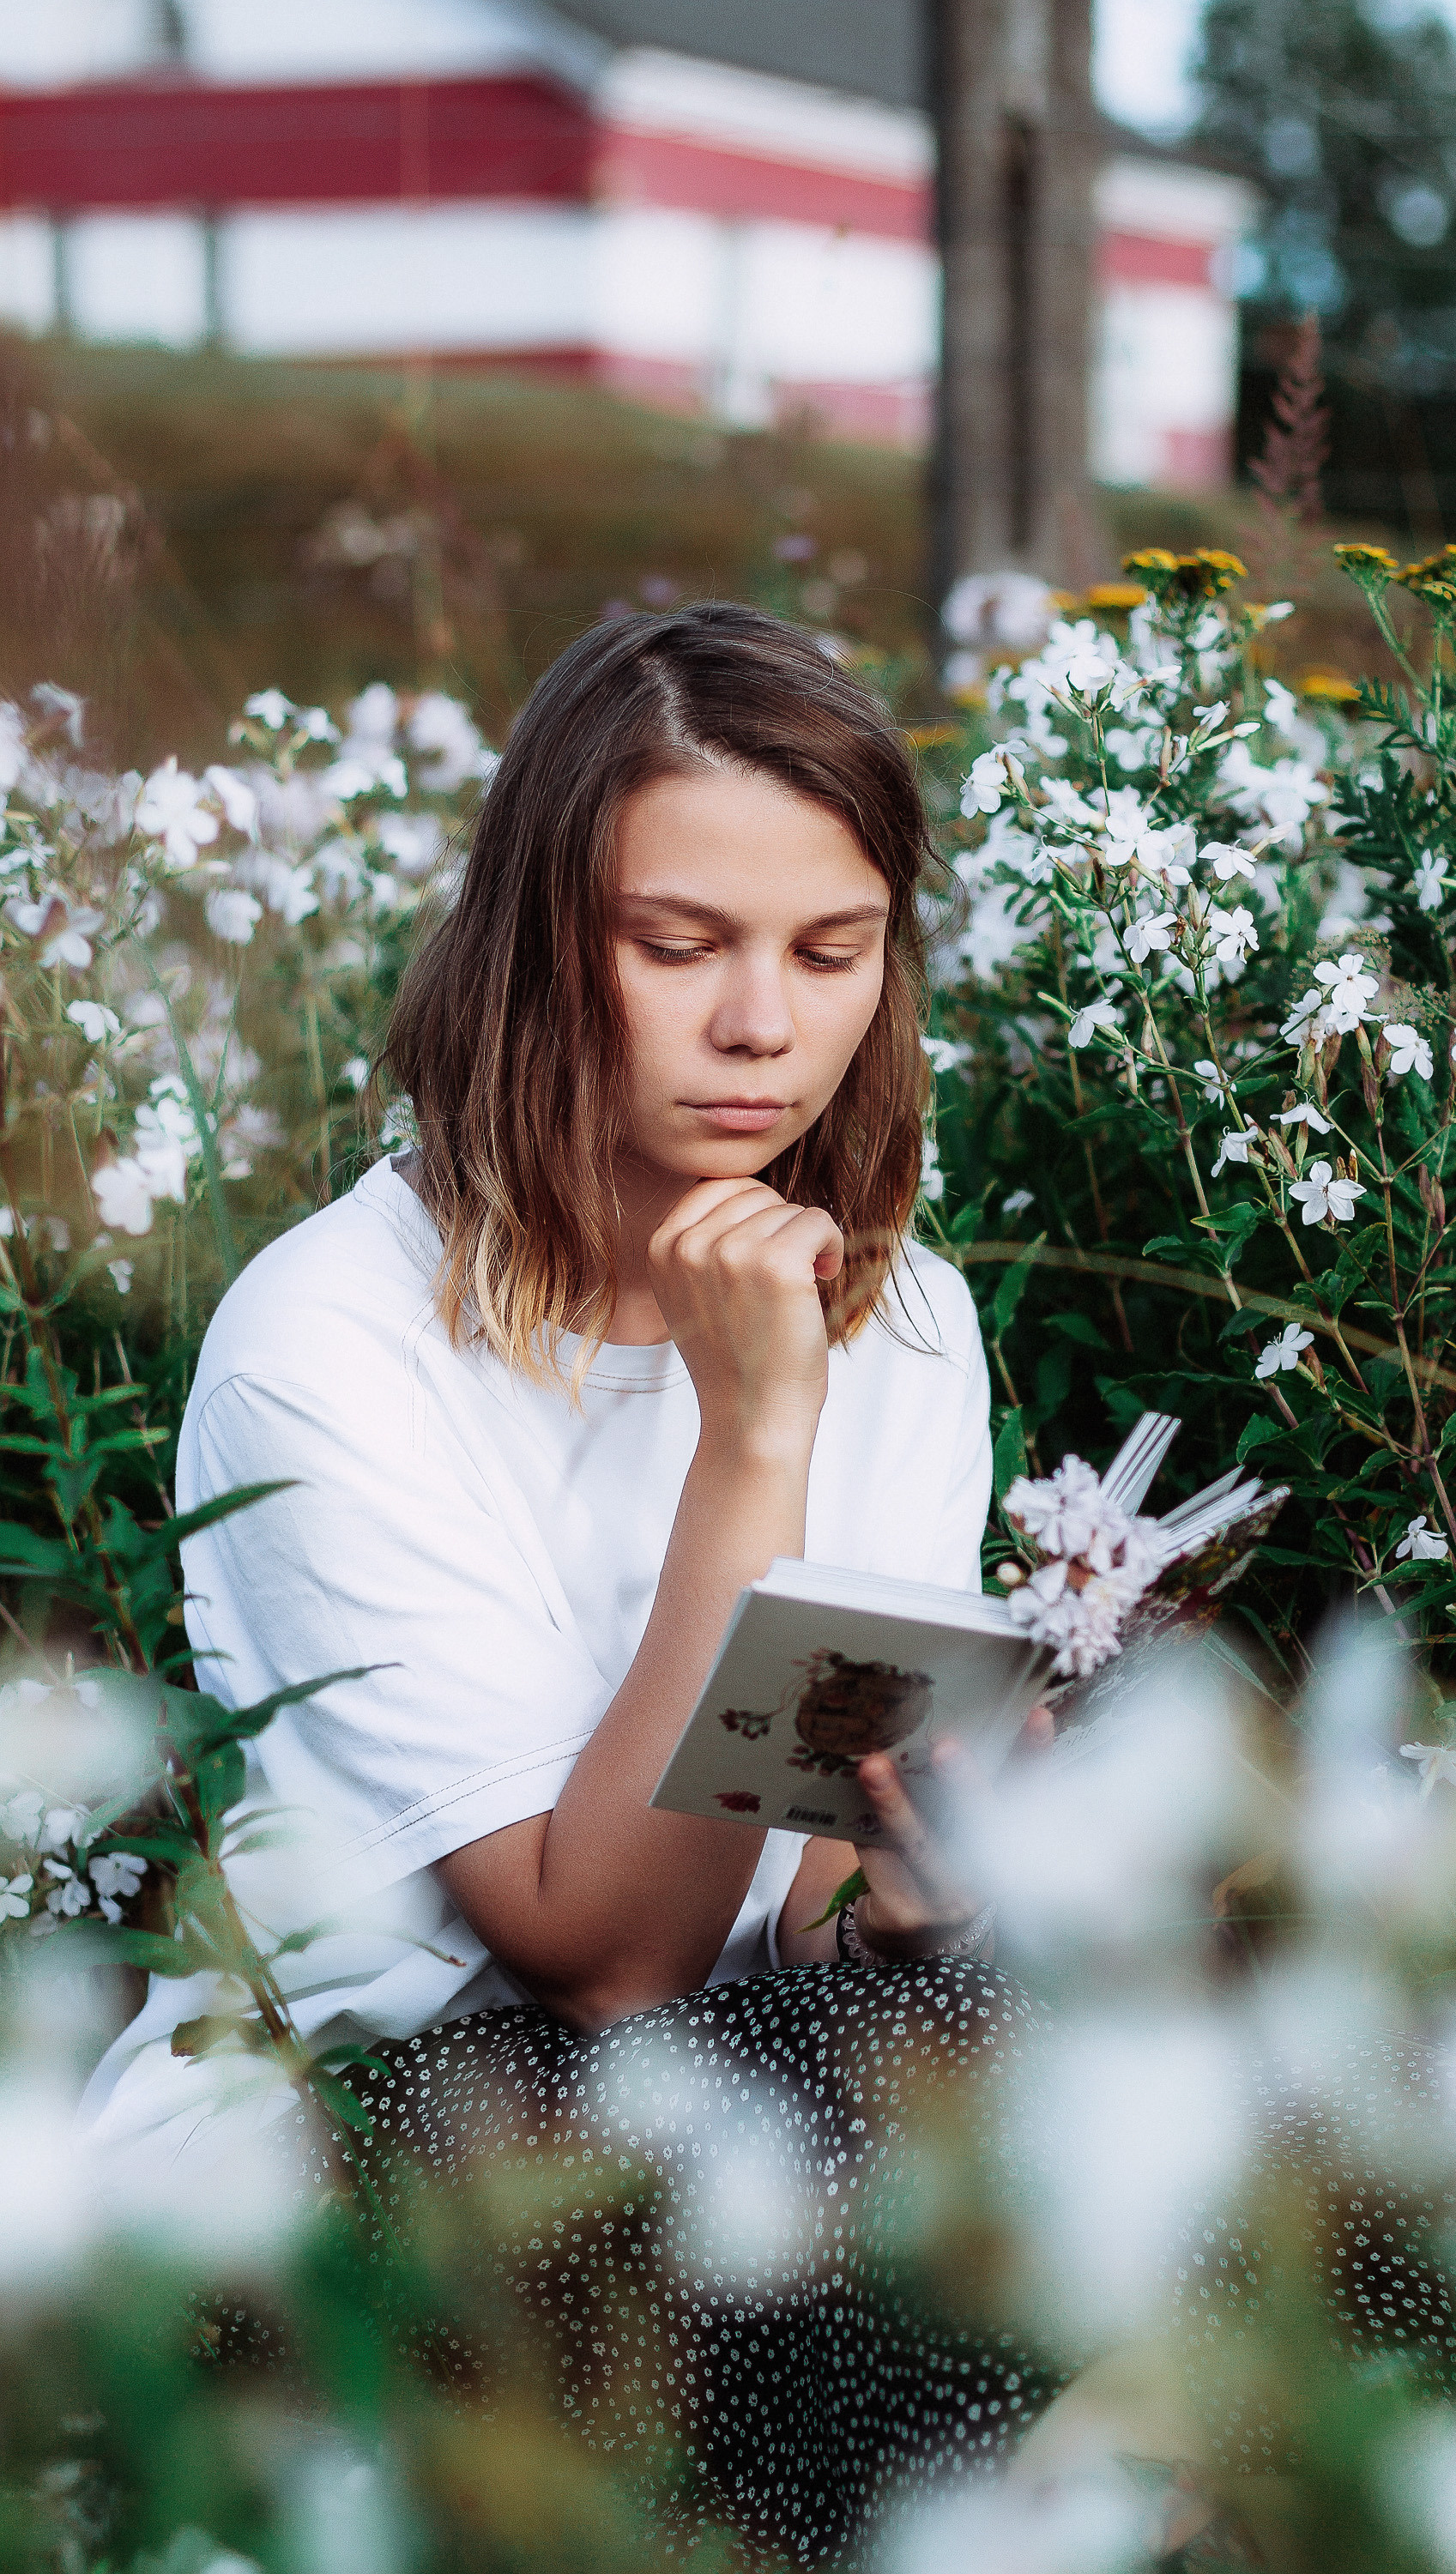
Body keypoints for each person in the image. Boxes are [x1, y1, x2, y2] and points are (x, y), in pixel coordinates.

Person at [82, 604, 1064, 2563]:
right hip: (355, 2162)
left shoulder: (911, 1320)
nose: (762, 1027)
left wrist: (901, 1904)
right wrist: (750, 1442)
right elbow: (597, 1954)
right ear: (541, 943)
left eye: (831, 950)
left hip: (738, 2105)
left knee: (1122, 2074)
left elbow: (786, 1920)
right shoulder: (332, 1340)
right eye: (678, 945)